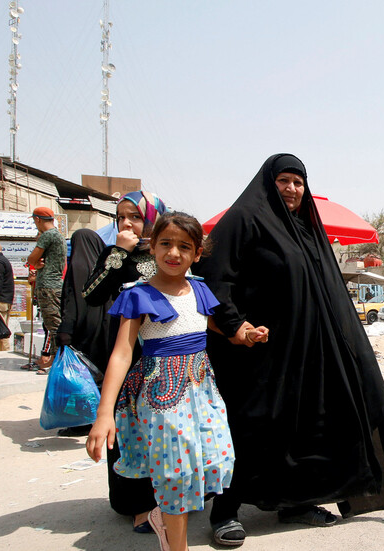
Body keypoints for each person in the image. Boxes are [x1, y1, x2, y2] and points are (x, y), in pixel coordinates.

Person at [197, 154, 384, 547]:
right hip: (259, 354)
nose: (293, 189)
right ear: (268, 183)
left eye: (299, 182)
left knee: (307, 430)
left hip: (311, 353)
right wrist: (234, 325)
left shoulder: (306, 228)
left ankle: (296, 502)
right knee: (251, 427)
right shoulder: (243, 220)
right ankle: (225, 511)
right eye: (284, 181)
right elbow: (214, 280)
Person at [87, 211, 263, 551]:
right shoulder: (138, 294)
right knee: (175, 474)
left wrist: (244, 333)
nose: (174, 253)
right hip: (161, 397)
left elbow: (210, 324)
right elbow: (122, 354)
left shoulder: (199, 289)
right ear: (152, 248)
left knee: (213, 457)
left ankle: (164, 520)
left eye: (185, 246)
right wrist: (104, 413)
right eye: (166, 243)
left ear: (197, 254)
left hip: (203, 390)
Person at [82, 190, 168, 533]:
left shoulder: (170, 248)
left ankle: (170, 498)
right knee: (132, 429)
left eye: (134, 216)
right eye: (121, 217)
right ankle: (138, 506)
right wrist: (119, 252)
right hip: (128, 351)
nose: (127, 223)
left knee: (166, 428)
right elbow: (92, 295)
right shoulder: (118, 254)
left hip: (168, 350)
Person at [54, 229, 112, 436]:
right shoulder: (107, 267)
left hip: (82, 331)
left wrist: (65, 331)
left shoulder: (77, 265)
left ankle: (83, 422)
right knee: (105, 375)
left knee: (82, 377)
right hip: (105, 329)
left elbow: (71, 301)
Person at [27, 206, 67, 371]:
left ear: (37, 219)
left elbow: (31, 259)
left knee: (53, 326)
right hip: (54, 285)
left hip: (48, 286)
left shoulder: (48, 235)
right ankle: (52, 358)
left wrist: (35, 263)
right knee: (51, 325)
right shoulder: (57, 235)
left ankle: (58, 362)